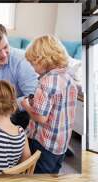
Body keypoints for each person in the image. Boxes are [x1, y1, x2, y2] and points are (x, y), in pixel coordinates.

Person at [21, 35, 78, 174]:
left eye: (33, 63)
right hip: (61, 144)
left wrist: (26, 106)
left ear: (42, 60)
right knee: (53, 174)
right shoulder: (68, 78)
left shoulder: (46, 82)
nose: (33, 68)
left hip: (44, 143)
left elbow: (41, 118)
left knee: (39, 175)